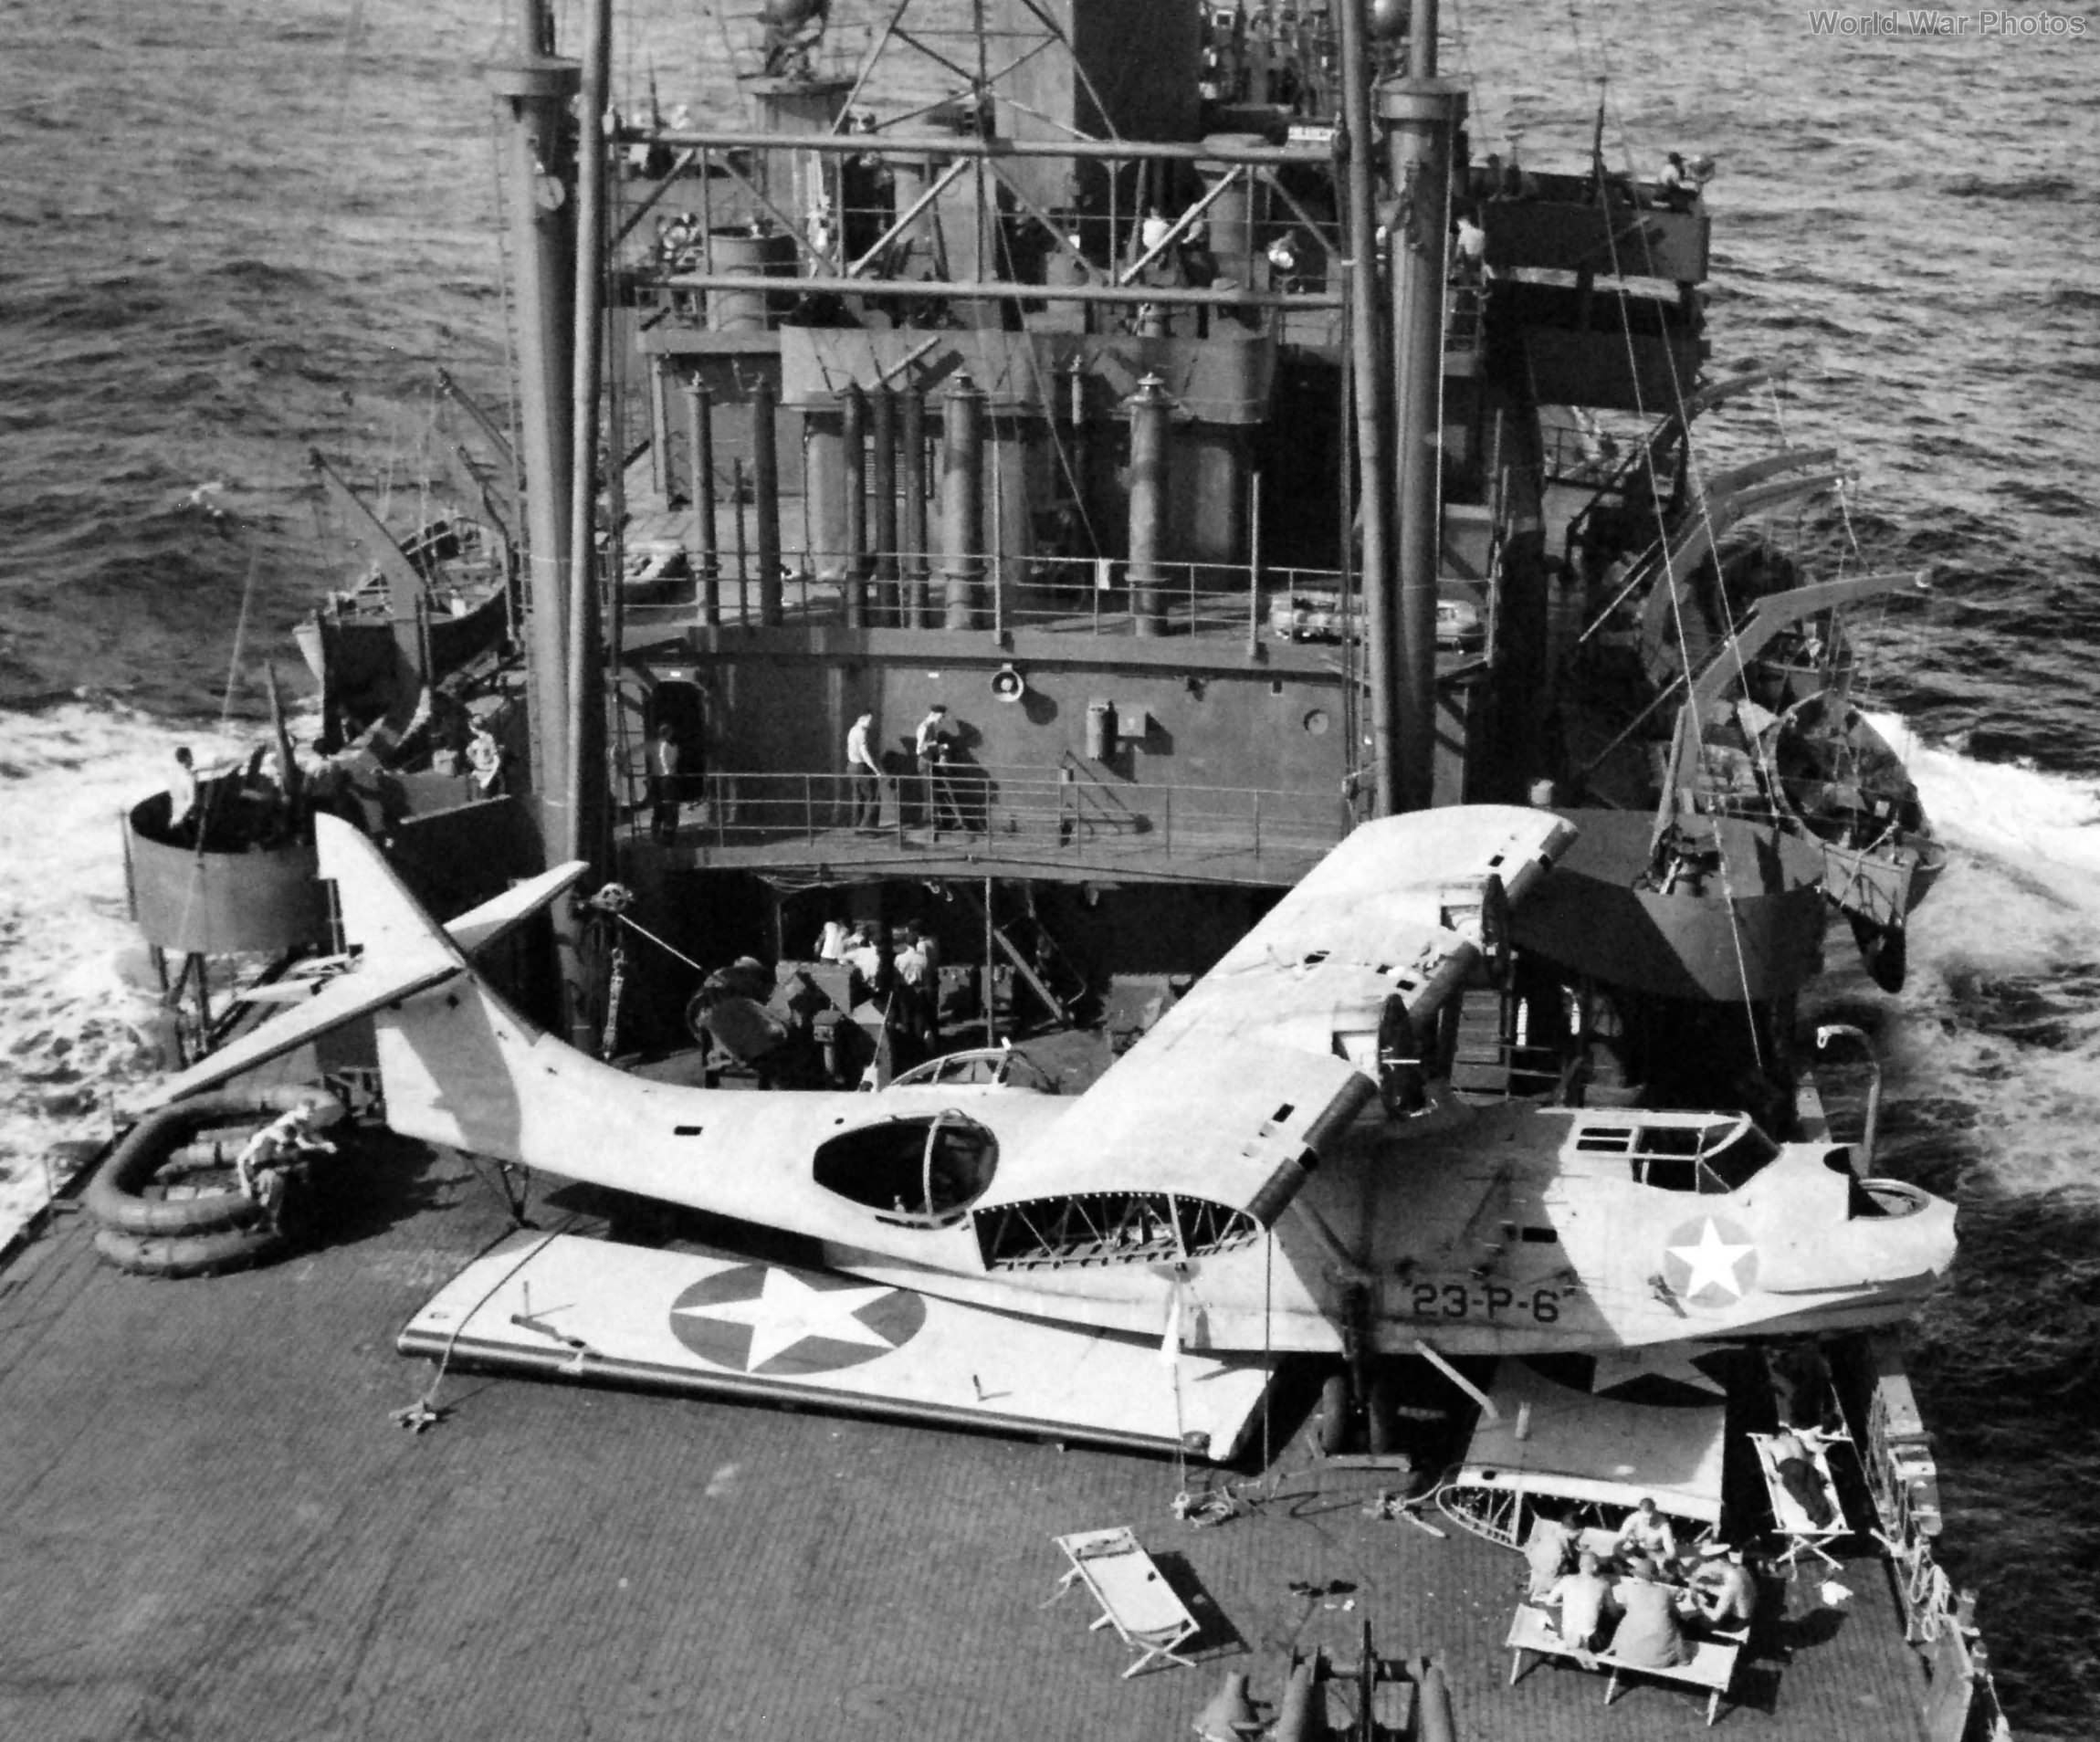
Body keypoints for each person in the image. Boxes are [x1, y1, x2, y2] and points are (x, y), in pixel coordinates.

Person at [236, 1100, 337, 1212]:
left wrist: (324, 1144)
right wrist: (244, 1183)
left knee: (302, 1168)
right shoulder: (263, 1138)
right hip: (258, 1167)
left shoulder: (292, 1129)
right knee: (280, 1177)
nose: (311, 1115)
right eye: (309, 1112)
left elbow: (307, 1137)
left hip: (271, 1162)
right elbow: (241, 1159)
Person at [1609, 1559, 1690, 1670]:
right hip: (1659, 1658)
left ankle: (1612, 1648)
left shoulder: (1630, 1590)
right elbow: (1676, 1613)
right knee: (1673, 1627)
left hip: (1626, 1654)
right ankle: (1683, 1659)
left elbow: (1624, 1605)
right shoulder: (1665, 1592)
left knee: (1625, 1622)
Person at [1546, 1552, 1618, 1656]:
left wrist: (1566, 1603)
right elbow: (1613, 1611)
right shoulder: (1603, 1584)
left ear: (1580, 1565)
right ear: (1595, 1567)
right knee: (1611, 1619)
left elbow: (1549, 1601)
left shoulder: (1566, 1580)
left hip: (1566, 1635)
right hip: (1588, 1640)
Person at [1769, 1426, 1837, 1528]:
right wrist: (1826, 1446)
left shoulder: (1771, 1444)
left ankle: (1819, 1519)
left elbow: (1769, 1464)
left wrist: (1775, 1475)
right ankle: (1827, 1517)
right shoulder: (1796, 1439)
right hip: (1807, 1466)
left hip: (1789, 1467)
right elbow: (1815, 1447)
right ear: (1786, 1433)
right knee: (1816, 1492)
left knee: (1802, 1495)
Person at [1690, 1547, 1759, 1630]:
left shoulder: (1729, 1586)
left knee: (1693, 1621)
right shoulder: (1738, 1568)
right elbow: (1728, 1591)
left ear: (1718, 1562)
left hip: (1737, 1621)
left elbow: (1715, 1617)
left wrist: (1700, 1605)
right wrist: (1707, 1587)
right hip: (1749, 1608)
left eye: (1708, 1562)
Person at [915, 703, 953, 827]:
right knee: (928, 794)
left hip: (930, 762)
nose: (941, 720)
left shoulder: (931, 727)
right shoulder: (924, 727)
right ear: (934, 714)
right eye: (941, 717)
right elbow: (919, 749)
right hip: (924, 762)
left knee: (933, 793)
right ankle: (928, 823)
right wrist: (938, 745)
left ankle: (935, 821)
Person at [845, 711, 884, 829]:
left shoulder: (852, 730)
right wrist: (876, 770)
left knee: (857, 797)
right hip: (861, 768)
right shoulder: (862, 732)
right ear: (861, 719)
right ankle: (867, 828)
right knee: (873, 797)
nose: (871, 723)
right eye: (869, 721)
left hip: (851, 766)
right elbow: (864, 753)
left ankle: (856, 825)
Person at [1615, 1496, 1678, 1569]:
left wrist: (1664, 1559)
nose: (1648, 1522)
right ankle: (1638, 1564)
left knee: (1674, 1563)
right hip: (1637, 1548)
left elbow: (1671, 1551)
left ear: (1655, 1510)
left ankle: (1648, 1566)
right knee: (1617, 1548)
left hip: (1654, 1552)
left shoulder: (1664, 1525)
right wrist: (1630, 1540)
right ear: (1640, 1512)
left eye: (1651, 1518)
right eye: (1645, 1518)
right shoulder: (1634, 1518)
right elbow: (1620, 1537)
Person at [1523, 1516, 1573, 1600]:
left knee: (1541, 1575)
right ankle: (1535, 1591)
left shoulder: (1553, 1535)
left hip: (1545, 1562)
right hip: (1547, 1562)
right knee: (1542, 1574)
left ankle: (1534, 1590)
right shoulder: (1557, 1541)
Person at [648, 723, 682, 844]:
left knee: (669, 807)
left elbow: (673, 761)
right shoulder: (663, 745)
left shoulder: (673, 746)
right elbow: (663, 759)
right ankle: (659, 835)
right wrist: (668, 772)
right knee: (664, 807)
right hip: (664, 778)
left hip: (668, 777)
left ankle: (667, 835)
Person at [166, 747, 199, 845]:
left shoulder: (174, 774)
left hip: (175, 817)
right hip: (186, 820)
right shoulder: (190, 777)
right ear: (187, 758)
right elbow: (192, 802)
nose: (193, 759)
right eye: (191, 756)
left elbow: (174, 797)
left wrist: (175, 819)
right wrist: (179, 819)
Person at [467, 724, 505, 797]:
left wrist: (488, 779)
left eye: (470, 726)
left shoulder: (489, 739)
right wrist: (476, 769)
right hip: (478, 777)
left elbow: (497, 761)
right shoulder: (476, 741)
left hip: (487, 779)